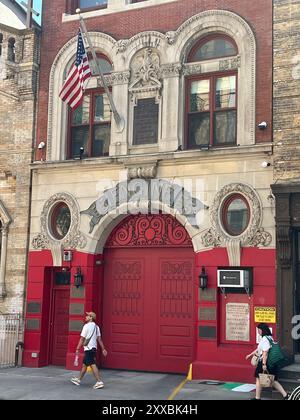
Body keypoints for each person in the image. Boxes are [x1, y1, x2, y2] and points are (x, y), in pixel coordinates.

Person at [246, 323, 290, 400]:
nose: (258, 332)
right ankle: (286, 396)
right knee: (273, 380)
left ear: (262, 330)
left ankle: (257, 398)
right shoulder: (270, 338)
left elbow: (265, 352)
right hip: (272, 362)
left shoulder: (265, 339)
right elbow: (259, 349)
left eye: (259, 330)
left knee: (258, 378)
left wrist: (263, 364)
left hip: (266, 362)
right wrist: (250, 354)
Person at [71, 312, 108, 389]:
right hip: (93, 348)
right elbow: (99, 339)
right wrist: (103, 349)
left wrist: (77, 348)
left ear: (91, 318)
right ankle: (78, 380)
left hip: (88, 349)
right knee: (85, 364)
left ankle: (99, 381)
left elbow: (82, 339)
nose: (86, 317)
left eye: (87, 315)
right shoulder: (96, 327)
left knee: (92, 364)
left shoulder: (86, 326)